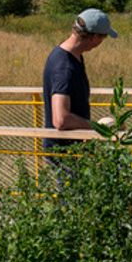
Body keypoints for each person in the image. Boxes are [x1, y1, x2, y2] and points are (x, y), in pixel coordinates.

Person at [41, 9, 117, 163]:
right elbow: (60, 119)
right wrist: (98, 128)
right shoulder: (64, 67)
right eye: (103, 38)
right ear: (94, 37)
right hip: (64, 152)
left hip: (72, 148)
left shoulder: (71, 56)